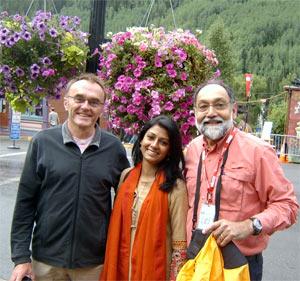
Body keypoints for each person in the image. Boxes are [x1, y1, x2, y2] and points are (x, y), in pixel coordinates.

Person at [10, 73, 130, 281]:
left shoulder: (114, 148)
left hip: (94, 264)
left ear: (102, 108)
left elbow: (127, 204)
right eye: (79, 99)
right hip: (46, 263)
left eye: (94, 102)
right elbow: (25, 203)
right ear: (66, 102)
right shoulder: (42, 142)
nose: (86, 106)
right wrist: (21, 258)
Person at [185, 80, 299, 281]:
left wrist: (248, 226)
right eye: (203, 106)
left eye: (219, 105)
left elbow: (287, 205)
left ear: (233, 110)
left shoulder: (258, 152)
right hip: (195, 259)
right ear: (195, 112)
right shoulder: (191, 151)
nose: (211, 112)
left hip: (238, 264)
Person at [100, 115, 188, 281]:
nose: (154, 145)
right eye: (151, 137)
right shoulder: (126, 176)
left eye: (163, 142)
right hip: (121, 267)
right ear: (141, 140)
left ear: (170, 150)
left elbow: (179, 245)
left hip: (155, 271)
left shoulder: (175, 186)